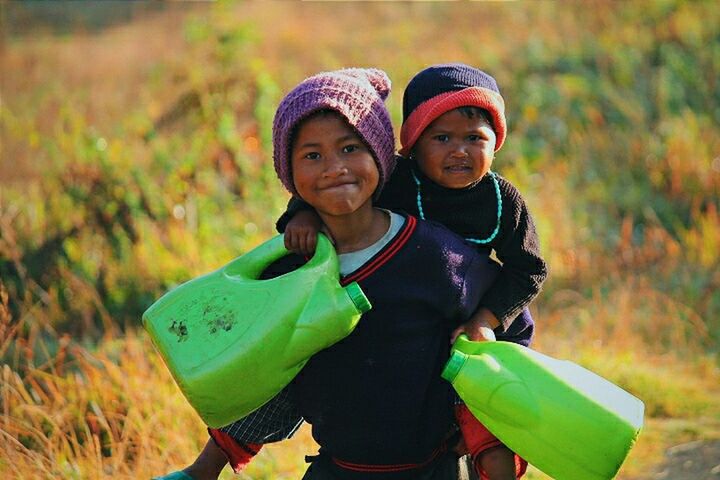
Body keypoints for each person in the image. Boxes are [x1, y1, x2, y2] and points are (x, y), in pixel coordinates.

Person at [154, 68, 526, 480]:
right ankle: (202, 471)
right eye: (312, 156)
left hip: (430, 465)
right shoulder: (292, 265)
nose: (334, 168)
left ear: (382, 158)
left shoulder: (433, 254)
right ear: (289, 173)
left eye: (350, 149)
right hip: (338, 468)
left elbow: (513, 307)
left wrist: (482, 345)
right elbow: (254, 367)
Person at [278, 63, 545, 478]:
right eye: (442, 138)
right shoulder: (398, 181)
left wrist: (485, 321)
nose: (459, 150)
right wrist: (303, 215)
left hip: (483, 318)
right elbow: (341, 186)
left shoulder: (501, 199)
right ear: (411, 147)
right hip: (417, 313)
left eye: (475, 138)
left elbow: (529, 269)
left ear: (497, 143)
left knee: (489, 436)